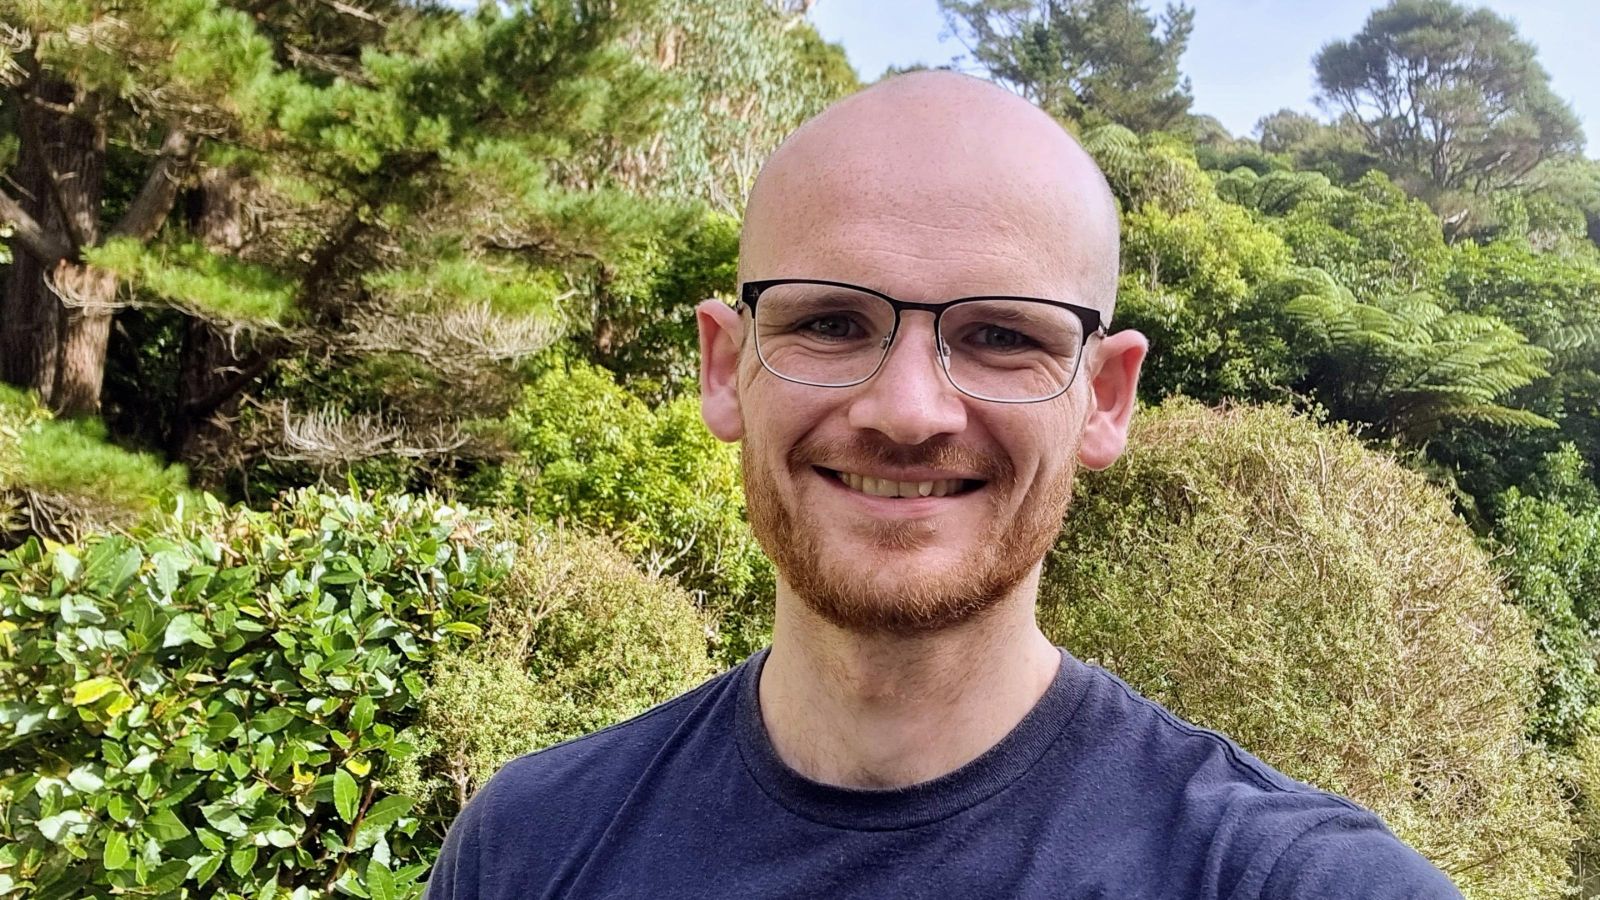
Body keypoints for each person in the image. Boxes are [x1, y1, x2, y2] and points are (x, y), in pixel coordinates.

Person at [425, 71, 1459, 899]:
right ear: (721, 365)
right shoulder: (529, 846)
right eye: (829, 322)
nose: (908, 410)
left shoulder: (1291, 880)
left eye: (1001, 334)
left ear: (1104, 397)